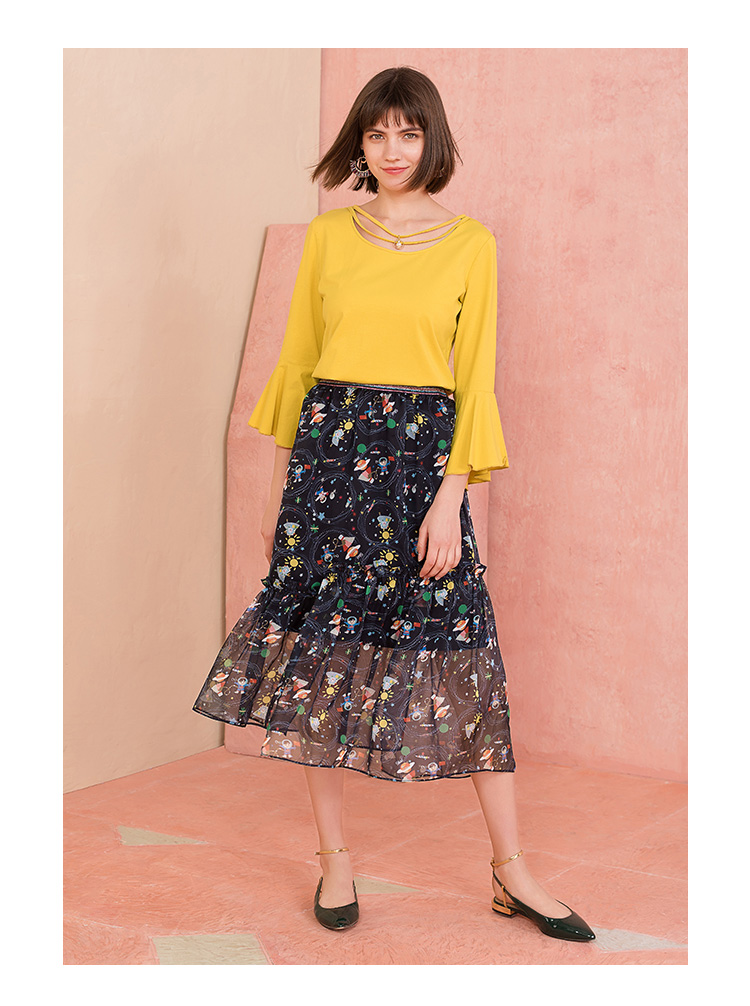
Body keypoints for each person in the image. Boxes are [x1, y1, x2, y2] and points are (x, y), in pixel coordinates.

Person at [192, 66, 595, 943]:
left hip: (421, 468)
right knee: (322, 656)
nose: (392, 149)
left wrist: (451, 499)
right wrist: (279, 494)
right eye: (376, 133)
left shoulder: (472, 243)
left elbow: (473, 380)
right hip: (328, 465)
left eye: (408, 132)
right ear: (360, 144)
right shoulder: (328, 236)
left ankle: (511, 868)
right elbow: (300, 365)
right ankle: (334, 859)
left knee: (466, 650)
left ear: (431, 138)